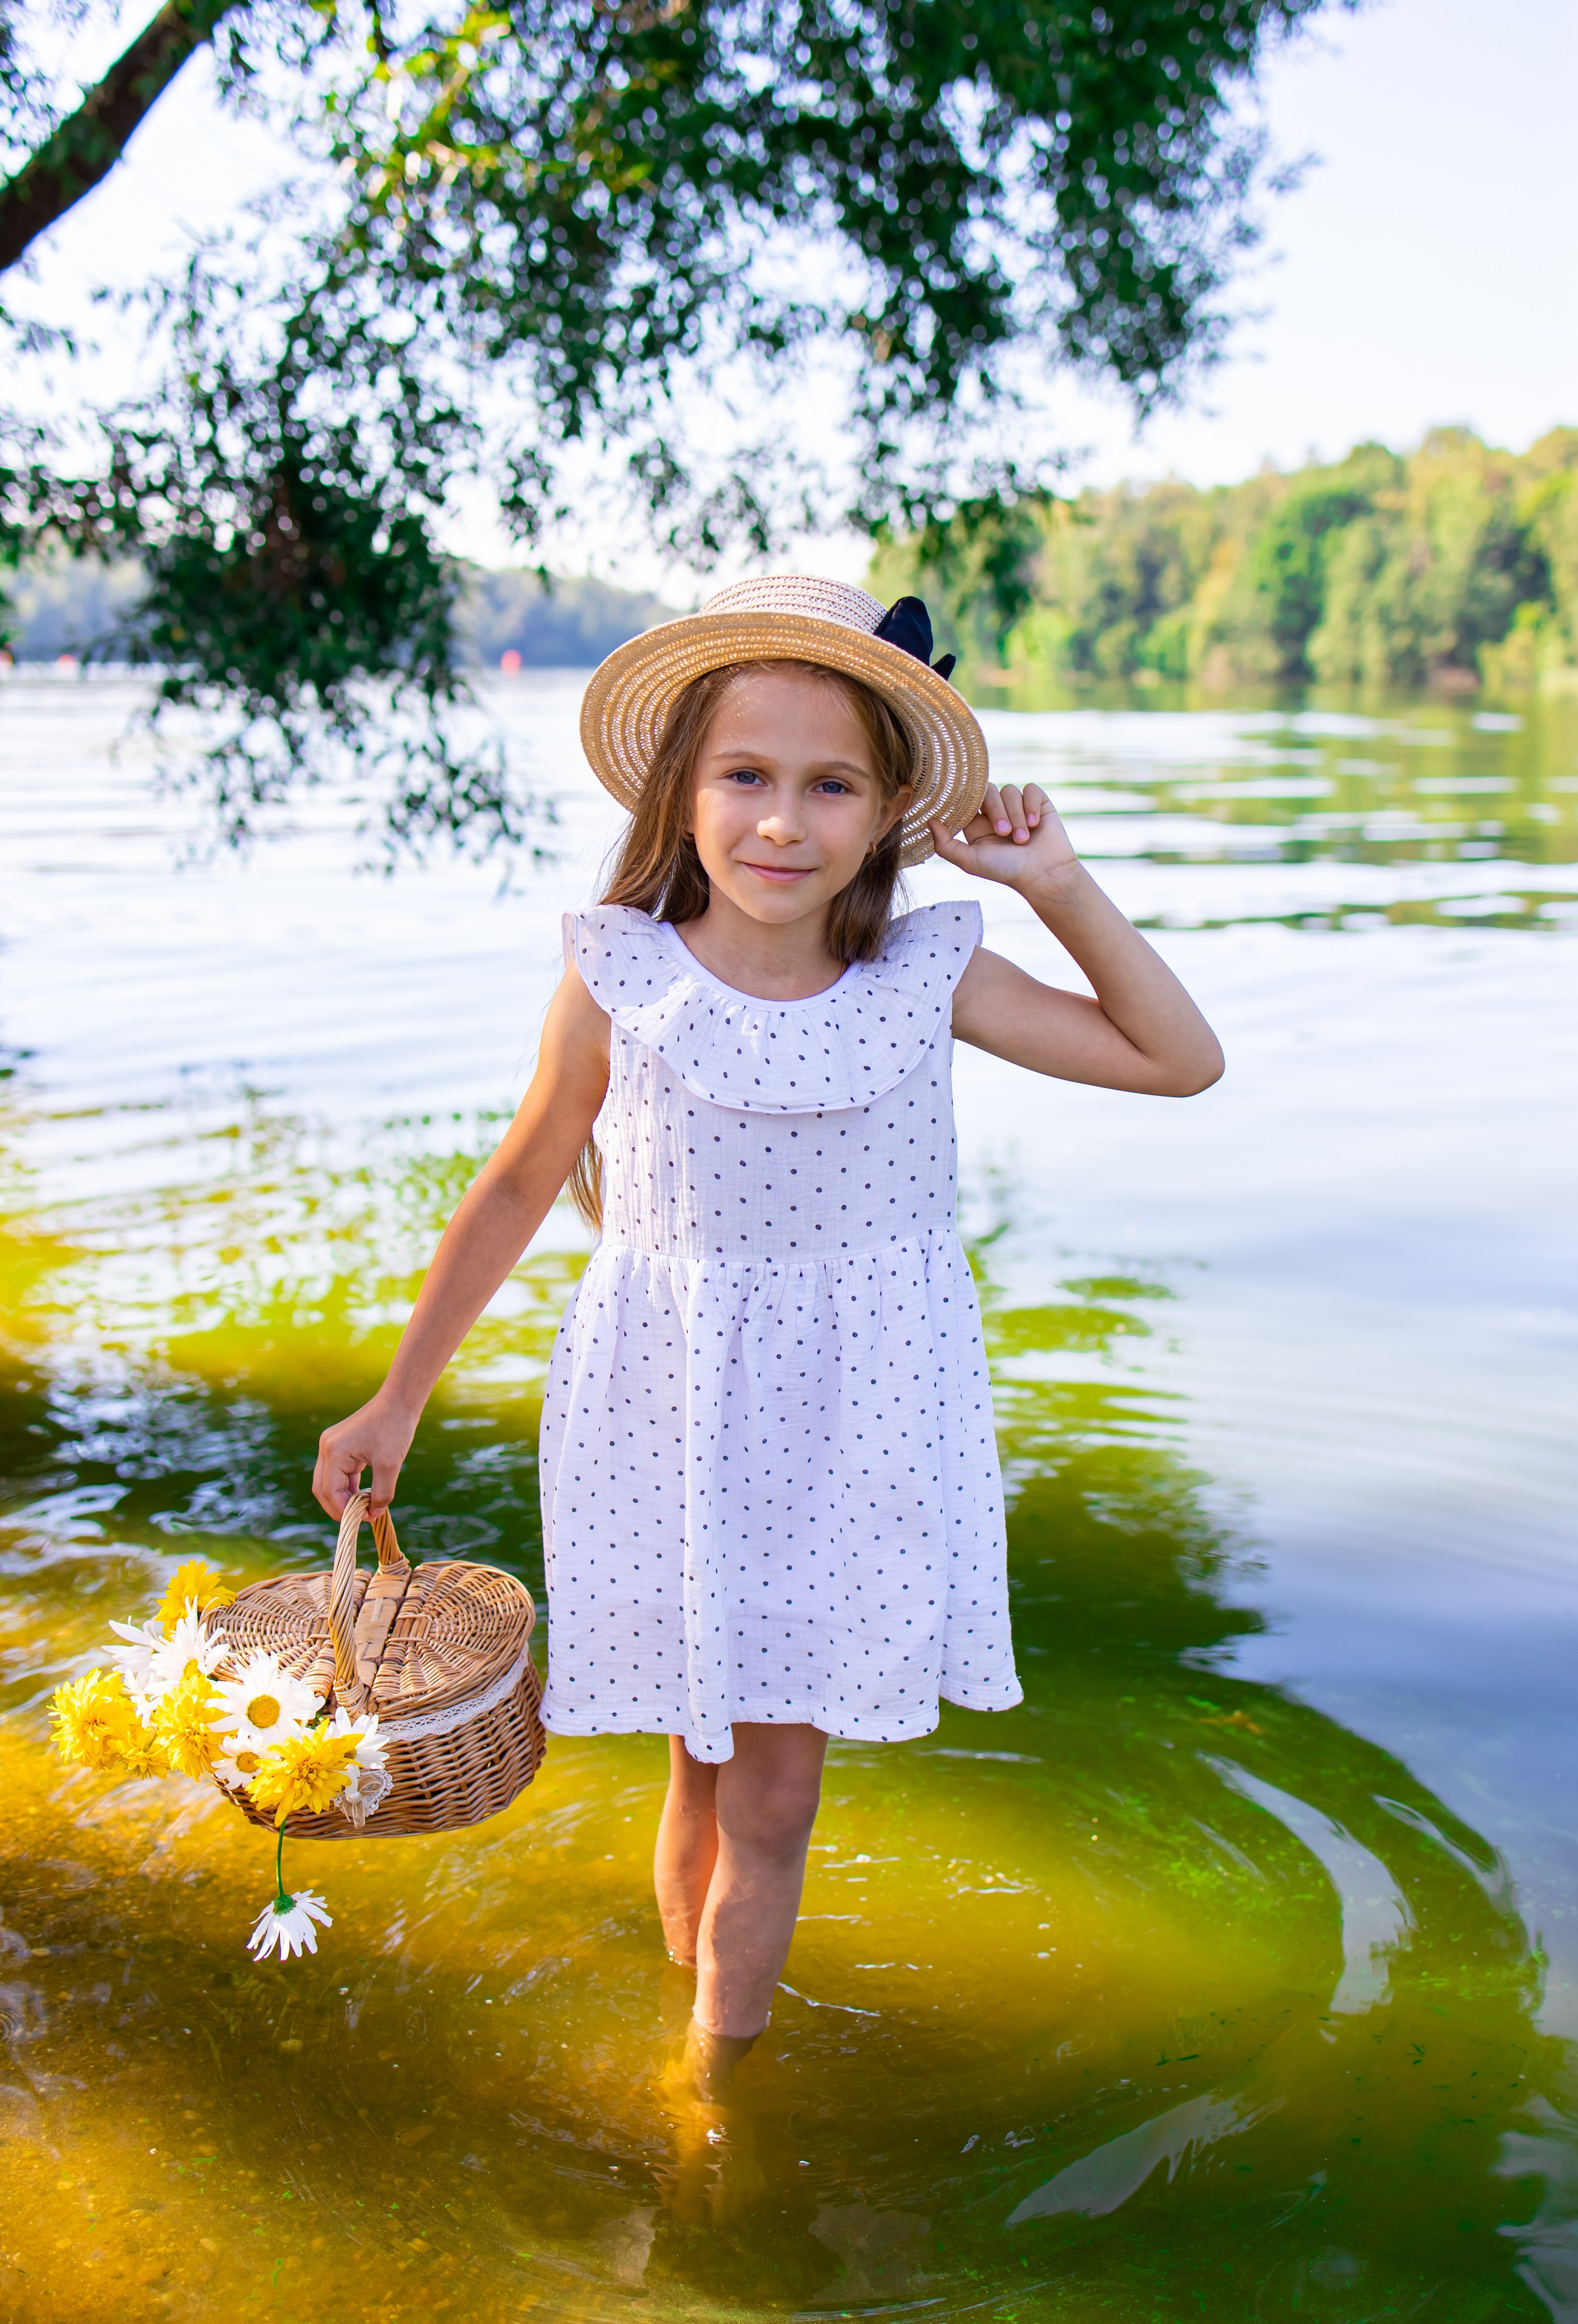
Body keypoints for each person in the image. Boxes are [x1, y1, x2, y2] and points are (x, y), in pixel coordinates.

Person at [312, 575, 1222, 2083]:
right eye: (745, 775)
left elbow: (1177, 1061)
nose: (781, 823)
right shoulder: (619, 968)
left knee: (776, 1798)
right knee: (700, 1758)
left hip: (853, 1433)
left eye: (829, 785)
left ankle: (708, 2091)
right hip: (665, 1418)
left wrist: (1054, 885)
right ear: (682, 790)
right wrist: (395, 1400)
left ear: (889, 811)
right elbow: (522, 1177)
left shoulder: (926, 974)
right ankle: (705, 2059)